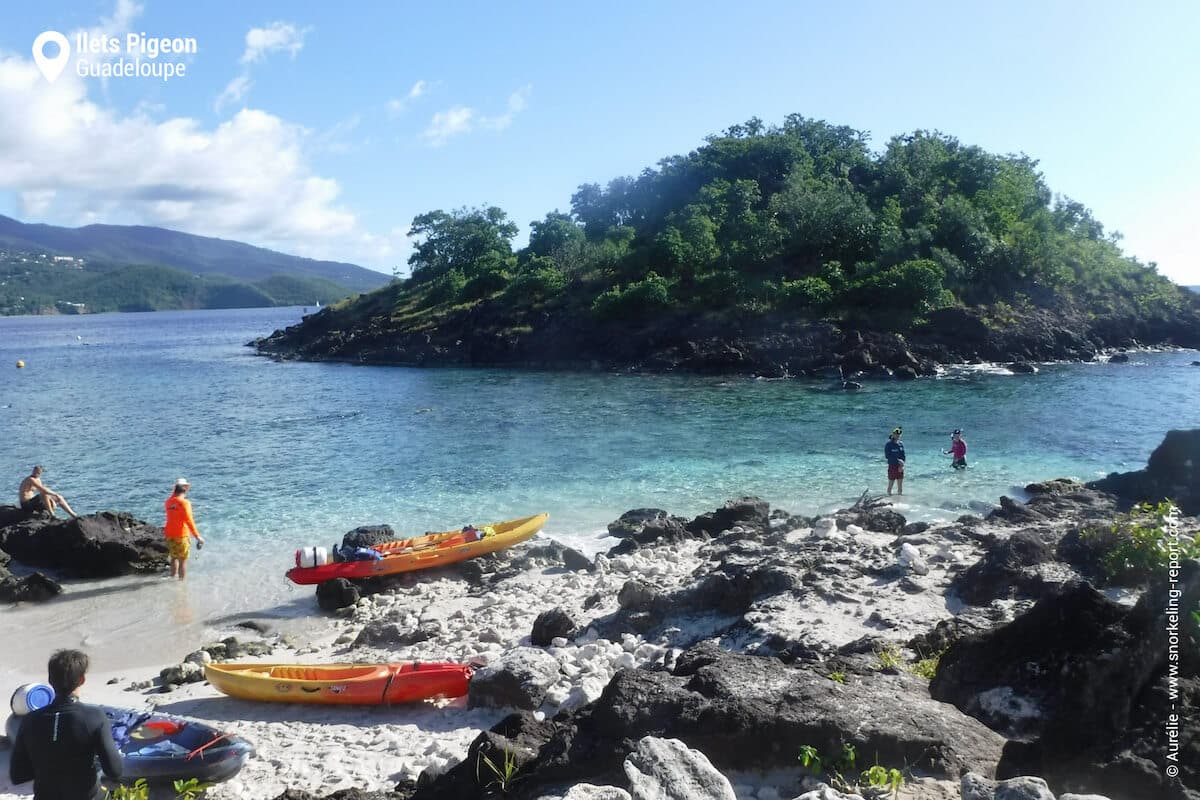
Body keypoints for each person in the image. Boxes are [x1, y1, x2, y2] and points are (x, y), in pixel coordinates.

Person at [9, 649, 123, 799]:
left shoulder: (30, 720)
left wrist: (48, 763)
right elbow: (115, 771)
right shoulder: (94, 716)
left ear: (50, 681)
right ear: (82, 680)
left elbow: (18, 775)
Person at [164, 478, 204, 580]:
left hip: (169, 534)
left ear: (175, 489)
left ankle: (172, 577)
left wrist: (177, 487)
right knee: (182, 560)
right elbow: (189, 521)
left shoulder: (168, 502)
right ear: (185, 489)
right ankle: (181, 584)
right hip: (181, 536)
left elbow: (174, 499)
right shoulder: (185, 503)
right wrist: (197, 536)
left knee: (174, 558)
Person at [885, 427, 906, 495]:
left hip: (900, 466)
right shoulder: (889, 444)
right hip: (892, 466)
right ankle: (888, 497)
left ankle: (899, 498)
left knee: (900, 484)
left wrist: (902, 464)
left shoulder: (901, 444)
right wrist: (898, 460)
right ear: (893, 434)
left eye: (899, 435)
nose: (897, 436)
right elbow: (887, 456)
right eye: (896, 434)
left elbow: (903, 455)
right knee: (891, 482)